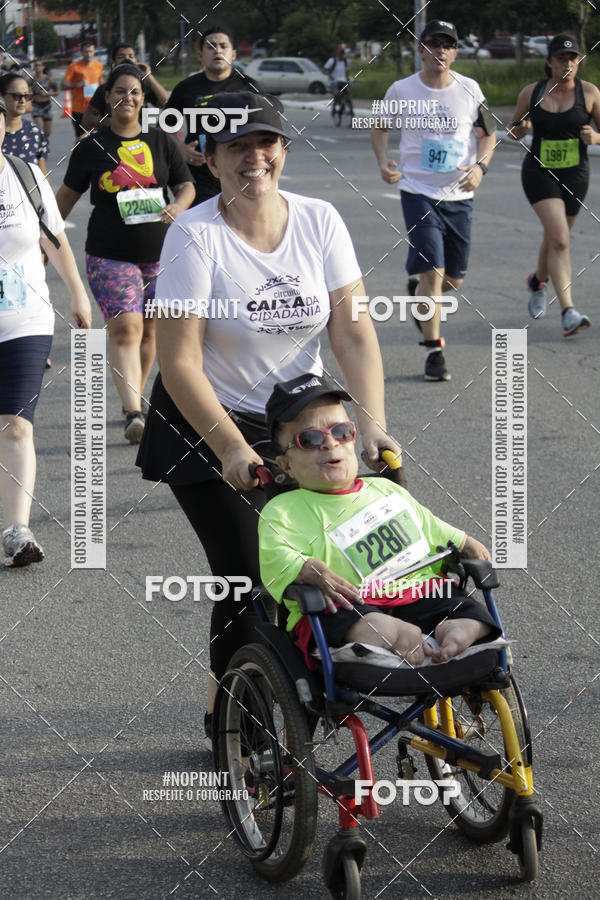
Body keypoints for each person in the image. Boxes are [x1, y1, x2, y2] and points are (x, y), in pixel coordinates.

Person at [136, 92, 403, 744]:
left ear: (282, 149)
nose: (254, 158)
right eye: (237, 147)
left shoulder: (319, 220)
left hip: (299, 420)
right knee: (249, 572)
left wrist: (370, 423)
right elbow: (178, 362)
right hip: (206, 420)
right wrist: (230, 447)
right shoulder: (193, 234)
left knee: (347, 551)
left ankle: (316, 684)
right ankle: (240, 727)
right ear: (209, 157)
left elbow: (355, 334)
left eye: (266, 143)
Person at [259, 373, 500, 667]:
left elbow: (428, 526)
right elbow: (274, 554)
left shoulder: (384, 490)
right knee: (342, 619)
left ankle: (459, 628)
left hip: (415, 591)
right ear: (286, 464)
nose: (330, 443)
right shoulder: (284, 509)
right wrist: (304, 567)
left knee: (460, 605)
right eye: (310, 439)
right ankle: (391, 633)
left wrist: (464, 541)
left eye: (342, 432)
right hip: (349, 603)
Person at [55, 64, 194, 443]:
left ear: (142, 98)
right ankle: (134, 409)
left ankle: (135, 398)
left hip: (159, 255)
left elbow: (186, 185)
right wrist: (43, 242)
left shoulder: (161, 141)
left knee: (150, 330)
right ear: (108, 97)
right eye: (119, 91)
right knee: (126, 328)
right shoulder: (91, 147)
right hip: (108, 254)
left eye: (134, 91)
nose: (127, 98)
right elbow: (63, 201)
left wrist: (178, 206)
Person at [370, 19, 496, 382]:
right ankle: (434, 351)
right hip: (417, 190)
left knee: (452, 280)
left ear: (455, 52)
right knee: (433, 272)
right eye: (432, 44)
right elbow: (379, 128)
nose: (439, 51)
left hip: (460, 194)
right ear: (420, 50)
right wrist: (383, 162)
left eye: (447, 45)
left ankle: (421, 292)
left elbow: (488, 135)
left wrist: (480, 167)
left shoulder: (470, 89)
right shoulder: (400, 90)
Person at [0, 96, 92, 566]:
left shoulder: (24, 176)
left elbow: (53, 240)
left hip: (24, 322)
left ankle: (17, 530)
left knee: (16, 426)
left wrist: (77, 292)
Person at [509, 34, 600, 335]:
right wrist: (520, 129)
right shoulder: (532, 92)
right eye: (562, 59)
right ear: (549, 62)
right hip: (539, 173)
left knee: (554, 239)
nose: (568, 64)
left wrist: (596, 137)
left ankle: (537, 282)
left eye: (573, 59)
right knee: (560, 238)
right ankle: (568, 311)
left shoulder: (589, 93)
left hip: (576, 174)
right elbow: (512, 130)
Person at [167, 24, 259, 204]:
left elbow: (268, 130)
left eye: (223, 46)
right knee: (203, 227)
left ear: (233, 54)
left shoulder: (250, 88)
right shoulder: (186, 88)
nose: (217, 50)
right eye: (210, 46)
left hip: (241, 172)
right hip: (199, 174)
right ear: (200, 56)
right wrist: (180, 149)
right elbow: (166, 126)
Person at [81, 43, 170, 134]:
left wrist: (148, 75)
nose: (127, 59)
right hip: (114, 140)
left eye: (131, 56)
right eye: (121, 56)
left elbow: (167, 103)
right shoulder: (105, 89)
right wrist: (108, 123)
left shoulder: (143, 87)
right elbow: (87, 120)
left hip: (141, 139)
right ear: (114, 62)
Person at [0, 71, 48, 173]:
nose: (22, 101)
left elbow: (42, 175)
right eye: (16, 96)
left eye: (27, 96)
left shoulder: (34, 131)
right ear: (2, 96)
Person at [61, 40, 104, 138]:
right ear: (81, 53)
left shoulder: (99, 66)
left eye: (91, 51)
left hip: (95, 108)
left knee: (97, 137)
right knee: (81, 138)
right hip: (79, 110)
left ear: (94, 52)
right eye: (86, 52)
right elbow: (63, 85)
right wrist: (79, 84)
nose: (88, 54)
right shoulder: (74, 67)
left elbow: (101, 83)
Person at [29, 58, 58, 141]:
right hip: (36, 106)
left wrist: (47, 94)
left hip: (46, 106)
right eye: (36, 66)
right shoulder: (31, 80)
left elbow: (56, 92)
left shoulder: (49, 79)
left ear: (43, 67)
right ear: (33, 68)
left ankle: (44, 144)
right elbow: (27, 91)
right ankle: (39, 146)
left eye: (39, 65)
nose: (38, 67)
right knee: (39, 128)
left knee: (47, 132)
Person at [323, 45, 354, 117]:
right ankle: (334, 107)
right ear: (338, 53)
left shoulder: (346, 62)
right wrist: (330, 75)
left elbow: (346, 72)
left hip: (343, 81)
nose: (342, 55)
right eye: (341, 53)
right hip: (334, 81)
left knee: (348, 93)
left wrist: (348, 81)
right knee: (336, 93)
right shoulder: (332, 60)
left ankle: (350, 109)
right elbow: (324, 69)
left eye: (343, 53)